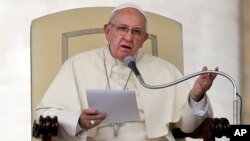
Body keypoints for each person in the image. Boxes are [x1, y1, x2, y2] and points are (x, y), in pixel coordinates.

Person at [36, 3, 218, 141]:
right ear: (108, 31)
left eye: (137, 32)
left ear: (144, 39)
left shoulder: (165, 70)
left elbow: (188, 126)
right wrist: (78, 121)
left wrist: (196, 96)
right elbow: (45, 116)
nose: (129, 37)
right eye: (122, 28)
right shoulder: (77, 65)